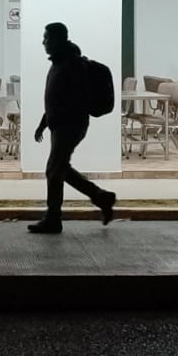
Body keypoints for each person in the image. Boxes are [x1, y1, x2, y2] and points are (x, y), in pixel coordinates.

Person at [29, 22, 117, 234]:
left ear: (58, 39)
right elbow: (55, 97)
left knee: (54, 170)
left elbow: (75, 98)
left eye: (46, 38)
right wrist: (44, 122)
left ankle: (53, 218)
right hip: (59, 125)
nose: (43, 42)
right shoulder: (59, 63)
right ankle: (102, 197)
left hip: (70, 126)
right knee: (60, 169)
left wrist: (60, 118)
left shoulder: (72, 65)